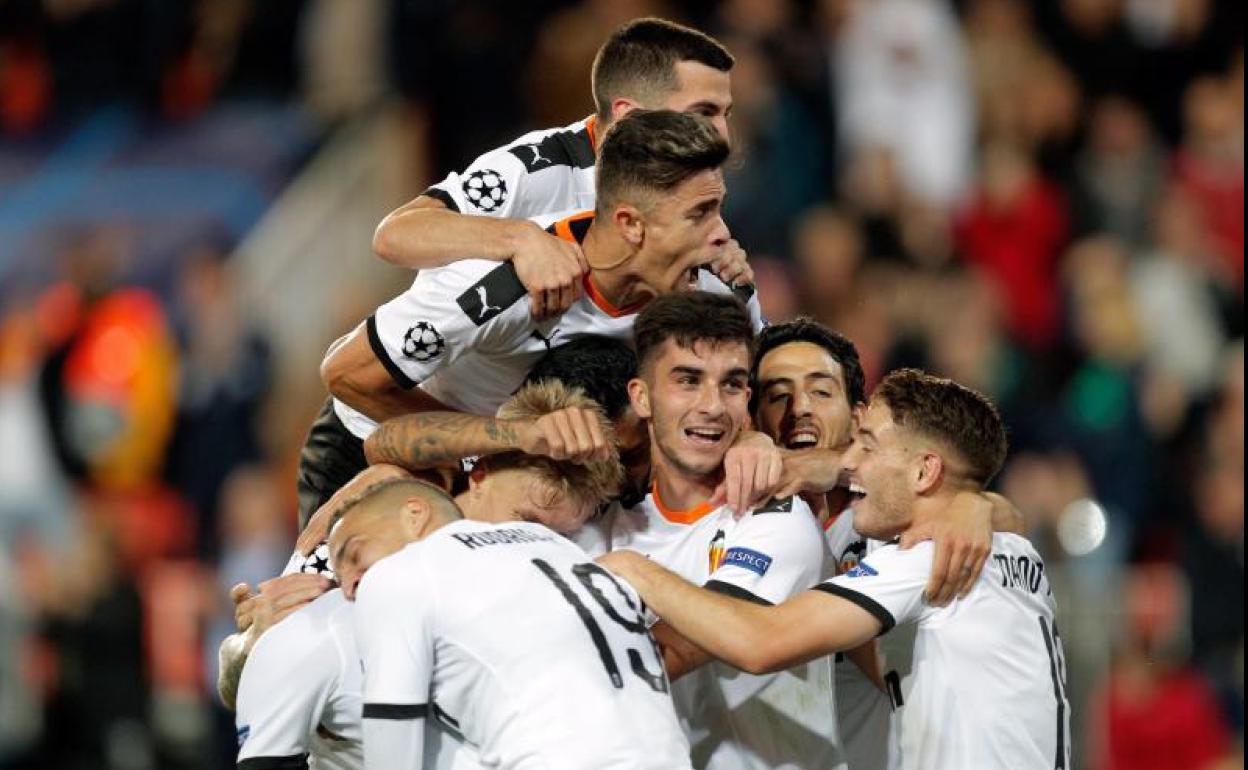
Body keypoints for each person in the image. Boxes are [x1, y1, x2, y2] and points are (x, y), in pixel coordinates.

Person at [296, 17, 744, 526]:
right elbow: (393, 237)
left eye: (726, 113)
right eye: (703, 112)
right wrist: (521, 239)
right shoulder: (534, 175)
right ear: (628, 115)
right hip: (400, 428)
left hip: (527, 453)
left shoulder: (697, 228)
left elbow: (754, 362)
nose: (722, 134)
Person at [601, 368, 1072, 770]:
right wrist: (975, 503)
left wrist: (633, 569)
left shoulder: (924, 560)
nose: (849, 461)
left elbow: (760, 642)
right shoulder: (1008, 548)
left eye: (866, 445)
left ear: (925, 472)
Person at [232, 380, 624, 769]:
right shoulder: (367, 531)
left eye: (556, 534)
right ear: (481, 473)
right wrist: (251, 644)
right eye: (526, 519)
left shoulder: (562, 572)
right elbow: (246, 681)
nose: (534, 541)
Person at [578, 291, 846, 770]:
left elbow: (671, 653)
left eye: (732, 385)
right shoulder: (599, 524)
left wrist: (631, 572)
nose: (712, 406)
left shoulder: (776, 518)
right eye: (688, 380)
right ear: (641, 396)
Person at [748, 319, 1023, 770]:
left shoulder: (892, 520)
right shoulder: (737, 517)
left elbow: (1010, 522)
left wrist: (973, 505)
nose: (798, 408)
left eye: (820, 392)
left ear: (860, 417)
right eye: (777, 396)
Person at [333, 477, 693, 770]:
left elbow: (393, 731)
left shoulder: (399, 573)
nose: (349, 586)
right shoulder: (553, 545)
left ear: (415, 514)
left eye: (354, 554)